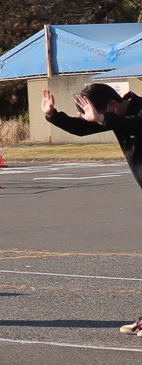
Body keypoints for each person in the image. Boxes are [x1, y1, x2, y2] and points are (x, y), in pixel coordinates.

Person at [41, 83, 142, 331]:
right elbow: (82, 128)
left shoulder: (136, 114)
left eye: (98, 115)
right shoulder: (116, 115)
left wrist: (103, 119)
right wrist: (53, 115)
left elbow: (134, 125)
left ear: (112, 105)